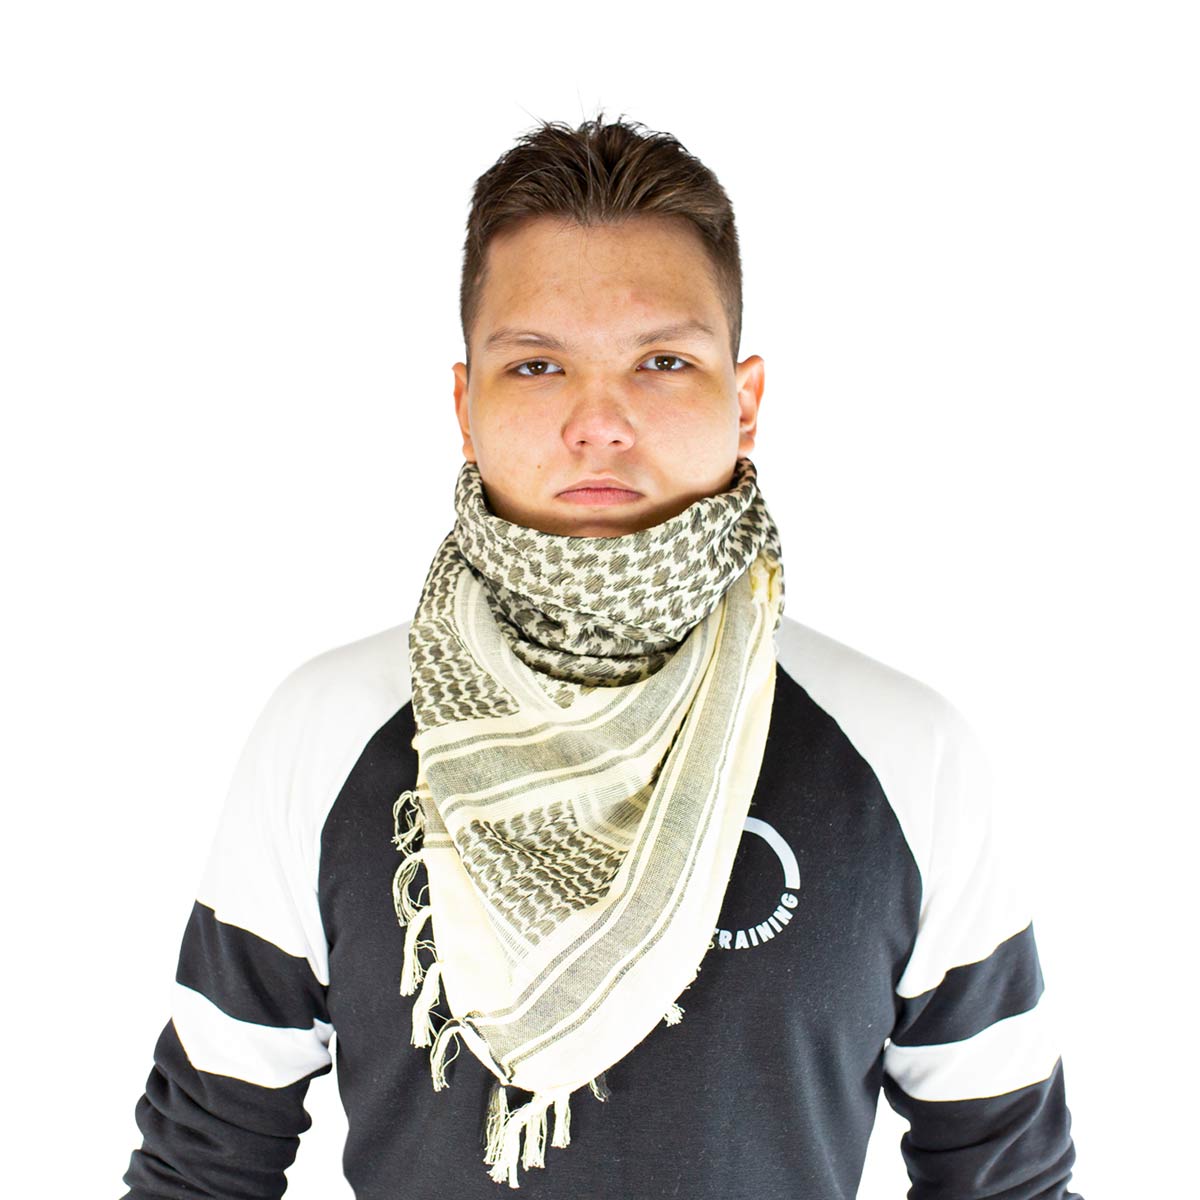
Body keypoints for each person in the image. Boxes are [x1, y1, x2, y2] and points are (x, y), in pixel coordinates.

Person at [120, 111, 1083, 1199]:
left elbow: (1005, 1178)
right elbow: (204, 1165)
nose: (599, 421)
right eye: (537, 365)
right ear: (465, 406)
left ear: (745, 401)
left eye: (662, 361)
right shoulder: (329, 732)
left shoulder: (906, 754)